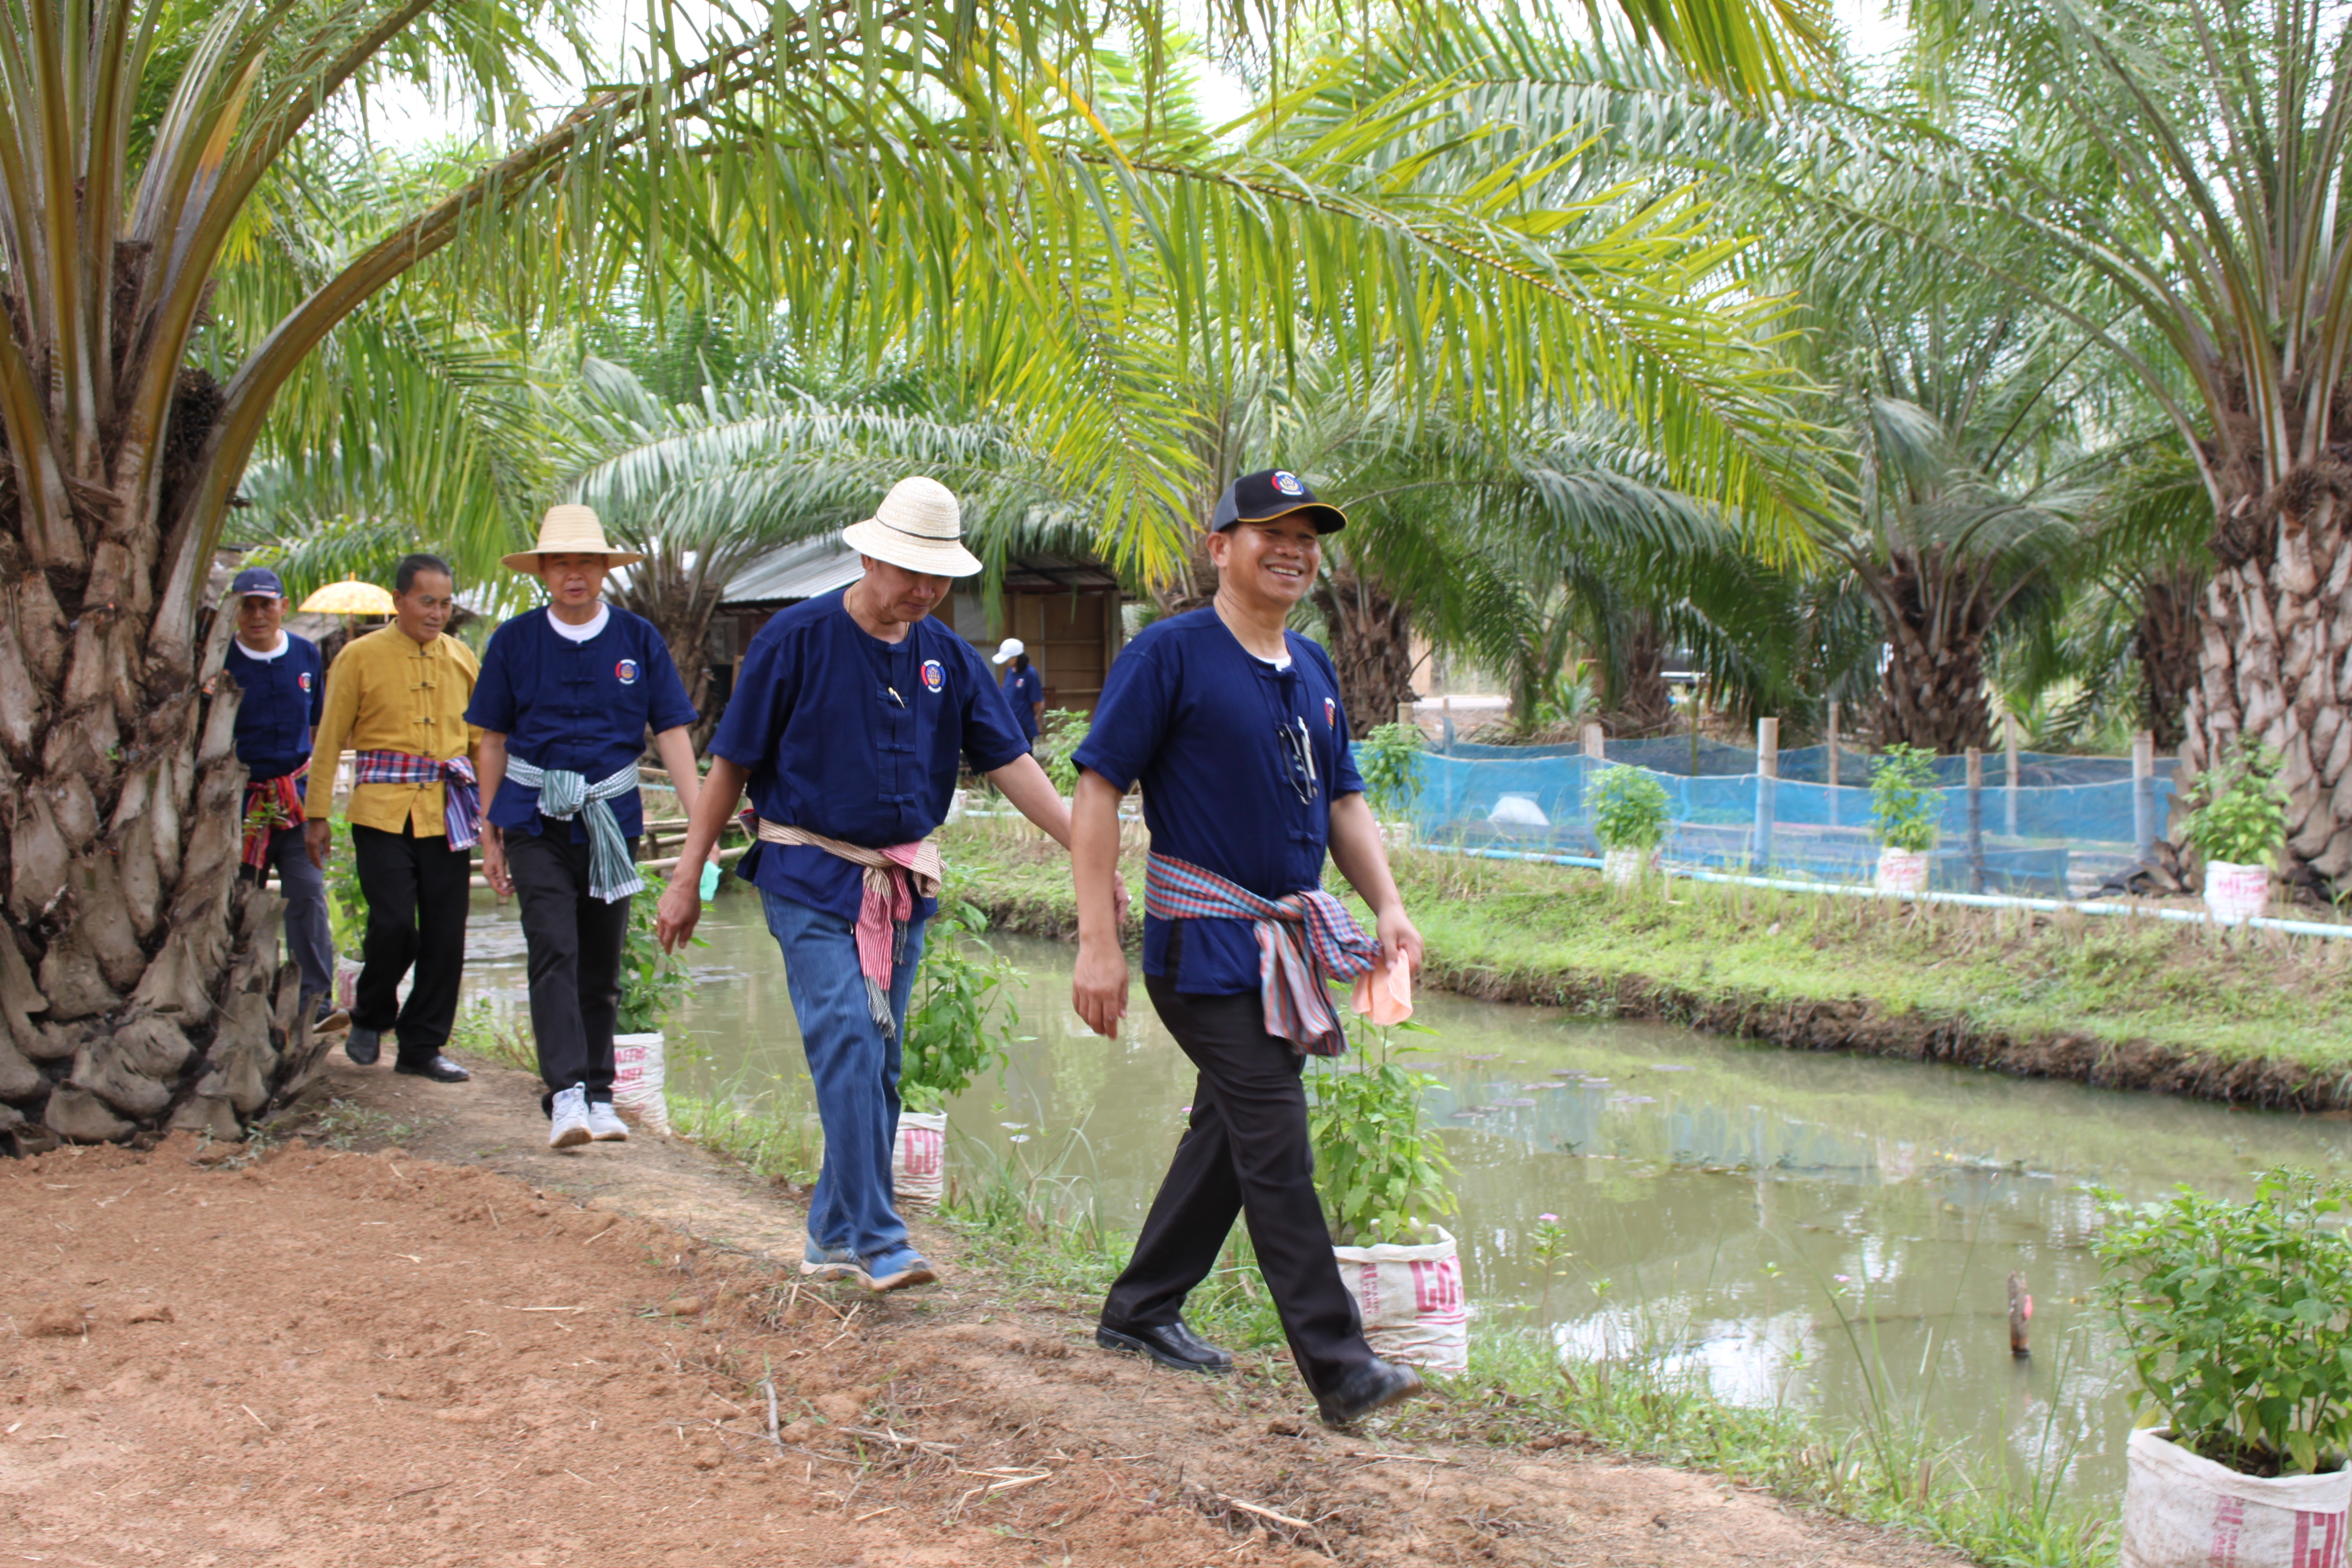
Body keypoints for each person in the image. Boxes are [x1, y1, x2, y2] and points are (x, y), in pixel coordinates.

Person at [656, 476, 1088, 1293]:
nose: (924, 591)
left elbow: (1010, 763)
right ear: (868, 553)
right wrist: (689, 873)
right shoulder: (794, 638)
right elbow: (731, 764)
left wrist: (1082, 850)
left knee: (879, 1056)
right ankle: (883, 1235)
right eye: (909, 571)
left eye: (939, 577)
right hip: (807, 873)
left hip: (901, 882)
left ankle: (829, 1235)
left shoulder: (949, 660)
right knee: (850, 1037)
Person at [1068, 468, 1428, 1428]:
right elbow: (1098, 789)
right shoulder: (1169, 655)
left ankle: (1141, 1311)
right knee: (1275, 1136)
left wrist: (1387, 906)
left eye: (1308, 537)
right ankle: (1340, 1365)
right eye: (1269, 531)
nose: (1293, 550)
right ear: (1219, 547)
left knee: (1231, 1132)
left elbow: (1344, 800)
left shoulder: (1310, 667)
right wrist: (1096, 942)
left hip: (1282, 950)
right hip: (1199, 946)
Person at [470, 507, 708, 1149]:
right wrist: (490, 831)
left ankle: (601, 1094)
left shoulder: (637, 640)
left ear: (605, 570)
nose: (573, 575)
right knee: (554, 945)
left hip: (612, 820)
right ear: (544, 572)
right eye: (560, 563)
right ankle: (566, 1093)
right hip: (532, 816)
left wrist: (699, 822)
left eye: (585, 563)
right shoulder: (514, 641)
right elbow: (491, 739)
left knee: (601, 961)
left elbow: (672, 732)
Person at [304, 554, 481, 1083]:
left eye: (446, 603)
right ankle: (372, 1014)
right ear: (399, 600)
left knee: (447, 934)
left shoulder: (463, 659)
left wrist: (497, 816)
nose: (437, 613)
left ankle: (421, 1047)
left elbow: (481, 743)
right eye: (427, 601)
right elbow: (330, 737)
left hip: (450, 811)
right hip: (381, 814)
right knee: (396, 924)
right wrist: (317, 815)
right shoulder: (357, 658)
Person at [225, 567, 343, 1033]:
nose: (257, 614)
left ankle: (316, 1002)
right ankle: (243, 996)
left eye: (265, 604)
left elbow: (317, 731)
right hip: (239, 805)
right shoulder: (220, 658)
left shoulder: (306, 655)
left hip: (294, 802)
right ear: (234, 610)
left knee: (308, 894)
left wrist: (318, 808)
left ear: (283, 606)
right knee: (242, 899)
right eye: (247, 605)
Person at [993, 637, 1045, 749]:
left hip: (1024, 726)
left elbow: (1038, 703)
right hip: (1009, 724)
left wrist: (1031, 719)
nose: (1006, 662)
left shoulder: (1030, 674)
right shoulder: (1009, 671)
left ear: (1016, 657)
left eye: (1008, 658)